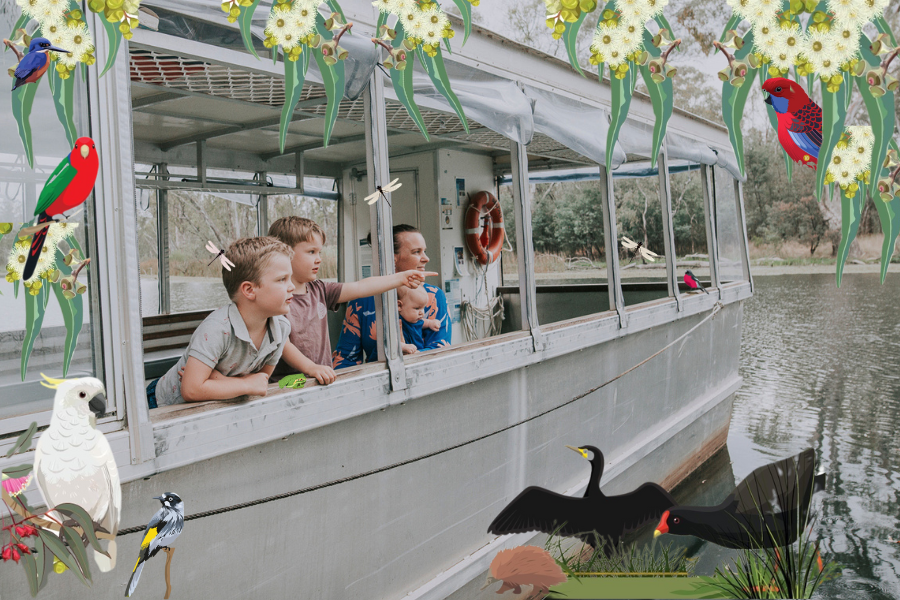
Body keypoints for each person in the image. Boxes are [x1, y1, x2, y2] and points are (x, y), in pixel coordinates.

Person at [268, 216, 437, 385]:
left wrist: (401, 278)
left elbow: (360, 287)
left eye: (319, 252)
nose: (319, 258)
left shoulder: (319, 289)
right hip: (286, 384)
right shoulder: (275, 296)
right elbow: (283, 344)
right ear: (285, 253)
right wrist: (311, 368)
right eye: (311, 252)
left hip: (320, 379)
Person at [146, 237, 295, 408]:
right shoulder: (217, 328)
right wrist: (245, 384)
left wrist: (219, 379)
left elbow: (260, 381)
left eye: (290, 278)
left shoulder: (281, 329)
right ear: (249, 290)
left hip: (215, 405)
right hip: (162, 404)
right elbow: (191, 390)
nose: (291, 286)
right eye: (282, 279)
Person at [333, 224, 451, 368]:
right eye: (416, 252)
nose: (426, 258)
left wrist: (399, 356)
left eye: (424, 251)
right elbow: (345, 359)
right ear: (392, 258)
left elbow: (440, 350)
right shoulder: (361, 301)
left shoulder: (434, 297)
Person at [397, 285, 428, 355]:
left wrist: (430, 323)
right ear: (399, 306)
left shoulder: (413, 319)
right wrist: (403, 346)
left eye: (423, 308)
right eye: (417, 308)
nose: (421, 313)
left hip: (416, 353)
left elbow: (422, 323)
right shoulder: (396, 322)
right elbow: (391, 342)